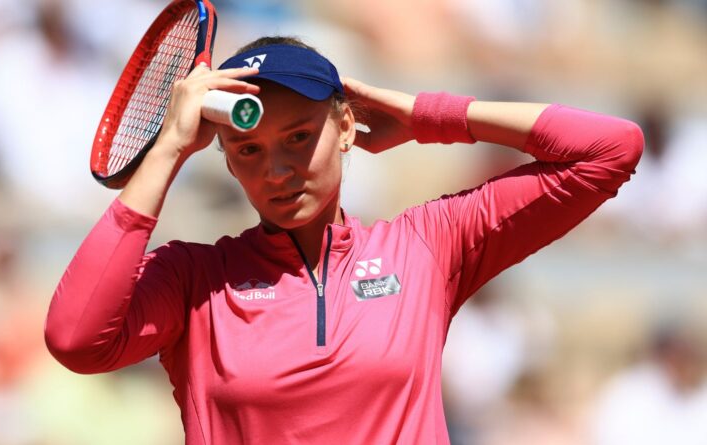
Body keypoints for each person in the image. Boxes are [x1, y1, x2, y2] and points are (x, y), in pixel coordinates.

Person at [44, 36, 644, 444]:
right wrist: (169, 149)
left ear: (347, 126)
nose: (276, 170)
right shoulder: (194, 280)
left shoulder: (427, 246)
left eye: (299, 137)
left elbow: (610, 149)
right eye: (249, 150)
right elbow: (75, 340)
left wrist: (423, 114)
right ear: (225, 160)